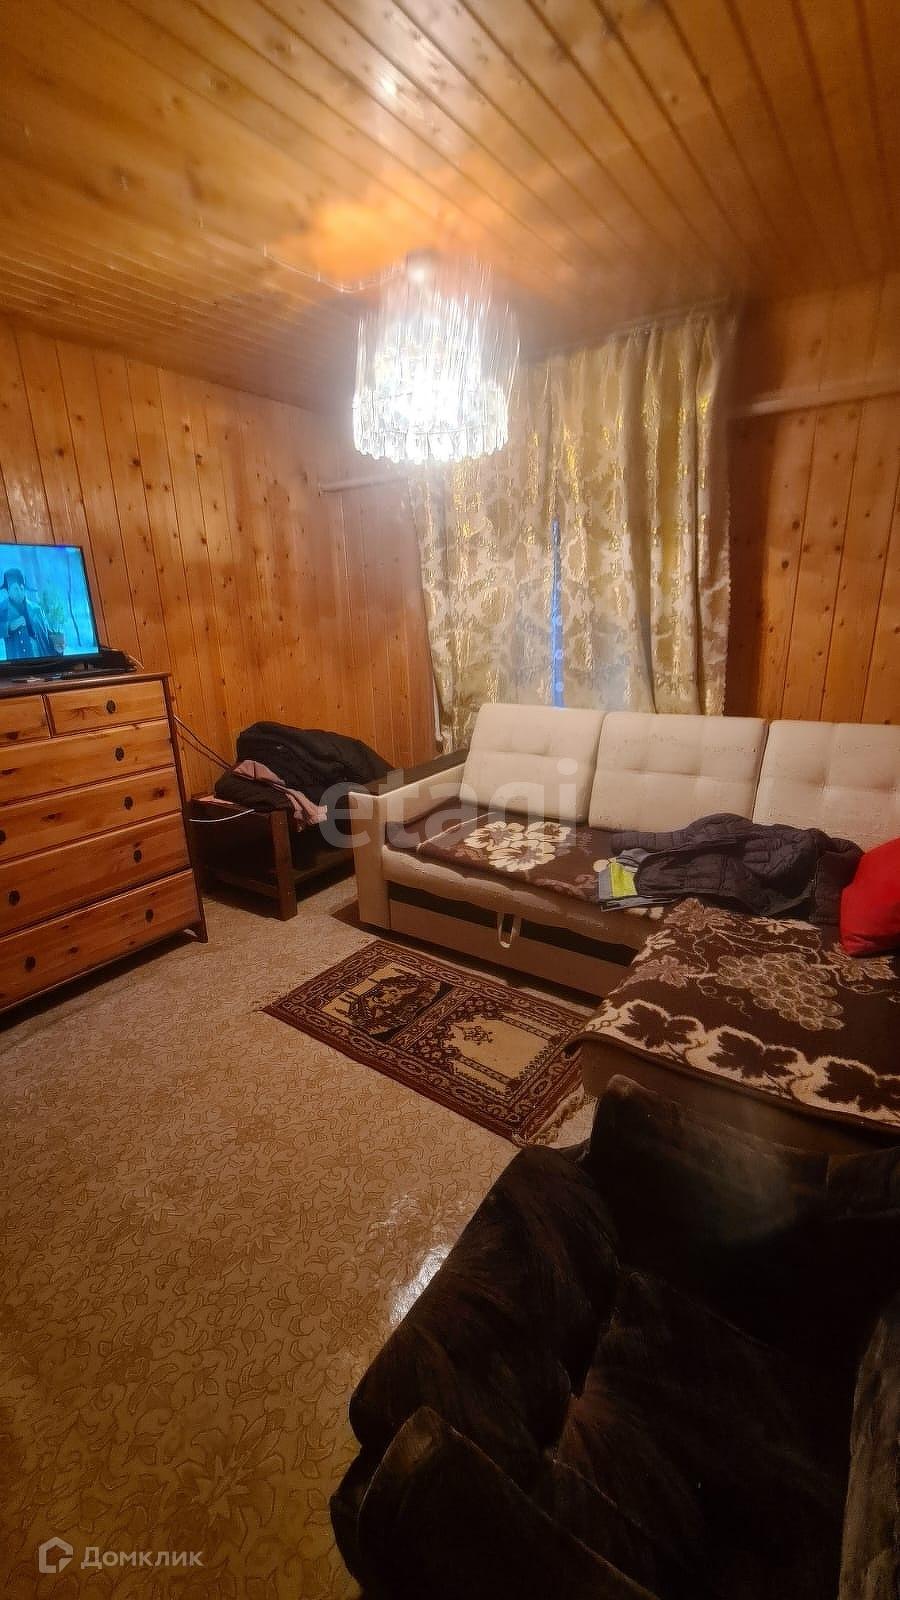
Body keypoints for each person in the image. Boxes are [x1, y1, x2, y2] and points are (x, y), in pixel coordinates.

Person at [0, 568, 63, 660]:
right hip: (20, 664)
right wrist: (10, 626)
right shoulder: (2, 609)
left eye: (22, 588)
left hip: (43, 661)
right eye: (15, 588)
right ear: (8, 590)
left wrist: (58, 649)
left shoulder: (36, 609)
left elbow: (47, 634)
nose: (19, 592)